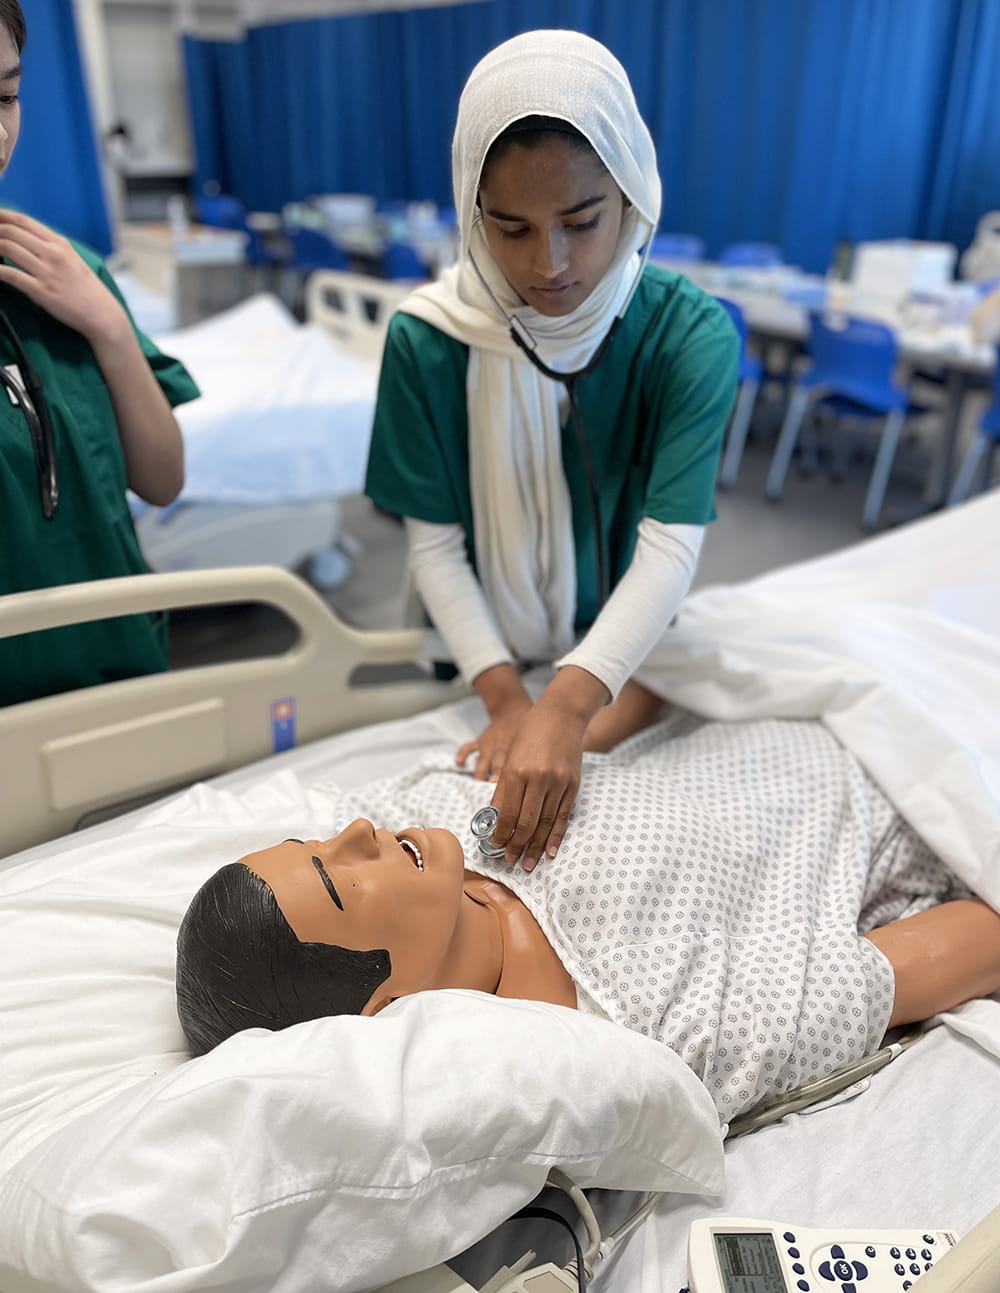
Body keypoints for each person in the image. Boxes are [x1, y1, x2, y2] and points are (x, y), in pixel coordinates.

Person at [176, 716, 1000, 1122]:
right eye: (338, 879)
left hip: (804, 701)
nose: (355, 833)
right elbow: (964, 947)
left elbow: (604, 715)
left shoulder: (415, 809)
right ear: (381, 1007)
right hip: (920, 788)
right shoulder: (656, 1031)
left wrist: (572, 703)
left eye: (316, 840)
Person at [364, 31, 739, 872]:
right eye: (511, 228)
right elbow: (435, 546)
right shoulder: (427, 342)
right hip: (477, 657)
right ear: (471, 210)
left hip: (622, 654)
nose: (551, 264)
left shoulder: (689, 337)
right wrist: (505, 699)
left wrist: (565, 706)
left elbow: (671, 546)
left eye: (582, 221)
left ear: (633, 193)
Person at [0, 0, 199, 706]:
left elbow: (163, 479)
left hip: (122, 676)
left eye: (6, 95)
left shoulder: (68, 272)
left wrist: (109, 327)